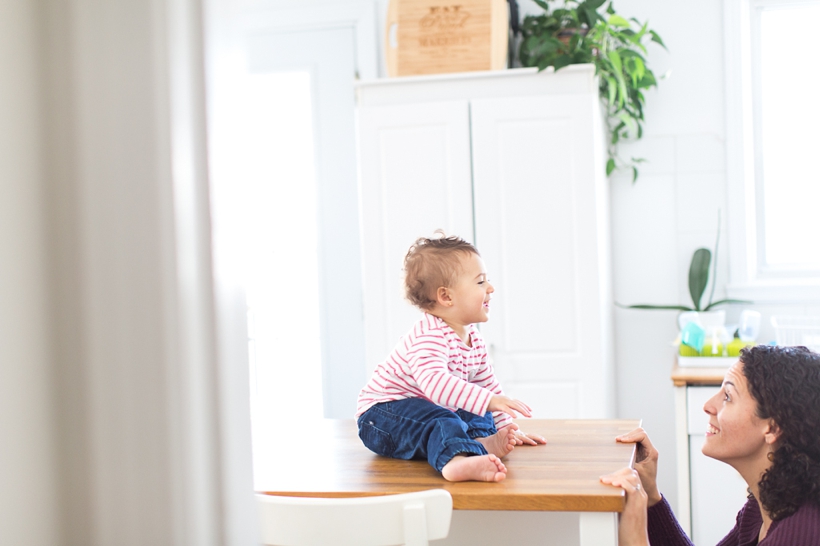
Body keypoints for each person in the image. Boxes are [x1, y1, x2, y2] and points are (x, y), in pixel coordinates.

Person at [356, 232, 546, 482]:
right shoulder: (429, 336)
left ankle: (480, 443)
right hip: (381, 418)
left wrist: (505, 426)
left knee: (475, 406)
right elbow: (436, 387)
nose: (491, 288)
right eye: (480, 282)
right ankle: (454, 461)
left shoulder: (473, 338)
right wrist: (490, 400)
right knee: (444, 418)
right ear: (446, 297)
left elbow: (487, 385)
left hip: (422, 408)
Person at [601, 344, 820, 545]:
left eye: (727, 396)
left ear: (772, 428)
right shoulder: (765, 505)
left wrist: (635, 539)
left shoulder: (799, 534)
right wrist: (651, 495)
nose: (708, 406)